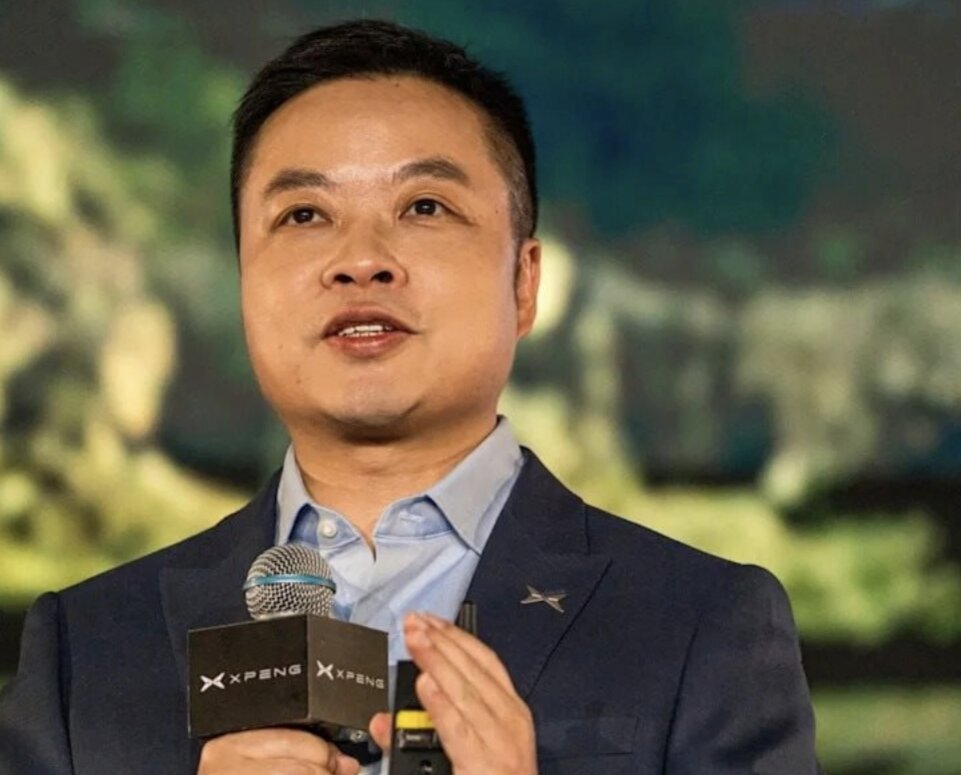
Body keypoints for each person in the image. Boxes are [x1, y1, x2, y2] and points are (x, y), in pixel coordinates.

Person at [0, 19, 819, 775]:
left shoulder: (699, 622)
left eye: (424, 206)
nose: (361, 260)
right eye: (304, 214)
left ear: (524, 281)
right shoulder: (87, 648)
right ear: (244, 276)